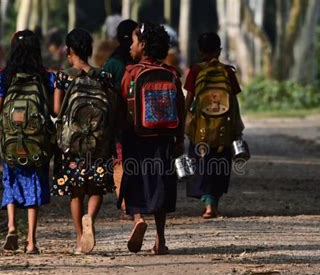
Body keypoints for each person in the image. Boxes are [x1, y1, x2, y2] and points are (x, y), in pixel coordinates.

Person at [0, 30, 55, 254]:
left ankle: (12, 226)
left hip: (10, 141)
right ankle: (31, 241)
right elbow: (53, 111)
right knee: (33, 185)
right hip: (36, 142)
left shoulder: (3, 77)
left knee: (11, 181)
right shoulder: (45, 77)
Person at [119, 22, 185, 255]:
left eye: (134, 41)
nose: (130, 46)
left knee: (135, 181)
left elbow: (123, 108)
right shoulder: (172, 74)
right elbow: (181, 109)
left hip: (137, 137)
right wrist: (179, 140)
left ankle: (138, 218)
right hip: (164, 139)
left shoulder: (131, 74)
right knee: (161, 185)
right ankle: (161, 240)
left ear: (143, 45)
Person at [51, 28, 116, 255]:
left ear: (69, 50)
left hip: (72, 142)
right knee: (97, 186)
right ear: (89, 50)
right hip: (99, 140)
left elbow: (57, 110)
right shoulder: (103, 76)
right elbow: (112, 107)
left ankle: (80, 238)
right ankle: (91, 218)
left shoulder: (63, 76)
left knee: (75, 190)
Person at [184, 32, 244, 219]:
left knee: (202, 163)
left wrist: (185, 119)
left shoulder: (195, 70)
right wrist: (236, 126)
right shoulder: (227, 71)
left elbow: (189, 98)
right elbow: (233, 99)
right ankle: (213, 205)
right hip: (223, 128)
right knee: (220, 163)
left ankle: (206, 201)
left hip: (201, 127)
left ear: (200, 51)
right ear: (219, 50)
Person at [103, 19, 138, 220]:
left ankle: (126, 204)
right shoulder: (139, 61)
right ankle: (138, 202)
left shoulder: (112, 63)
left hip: (118, 121)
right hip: (140, 120)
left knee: (119, 162)